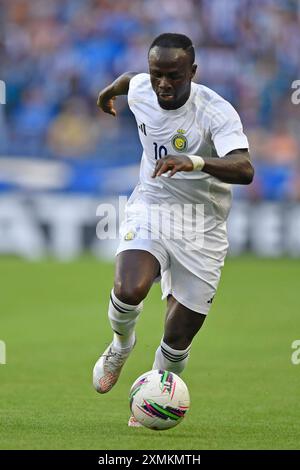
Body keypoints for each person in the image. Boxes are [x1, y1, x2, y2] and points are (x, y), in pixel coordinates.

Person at [92, 33, 254, 427]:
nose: (163, 83)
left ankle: (151, 396)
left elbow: (245, 169)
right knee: (129, 288)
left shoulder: (216, 112)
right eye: (157, 74)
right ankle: (120, 345)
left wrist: (195, 162)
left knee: (179, 336)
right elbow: (128, 81)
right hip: (153, 204)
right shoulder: (142, 86)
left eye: (174, 76)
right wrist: (105, 95)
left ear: (192, 73)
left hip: (203, 224)